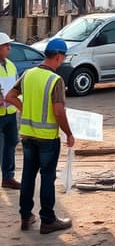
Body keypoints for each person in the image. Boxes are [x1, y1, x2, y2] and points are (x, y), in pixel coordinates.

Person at [5, 37, 74, 234]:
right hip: (47, 139)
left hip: (27, 135)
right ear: (59, 57)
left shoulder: (28, 74)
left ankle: (26, 216)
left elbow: (10, 96)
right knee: (47, 177)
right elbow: (59, 112)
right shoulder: (55, 80)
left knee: (28, 176)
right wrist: (69, 133)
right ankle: (48, 220)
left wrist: (23, 108)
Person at [0, 32, 20, 189]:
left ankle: (8, 177)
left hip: (10, 114)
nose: (9, 48)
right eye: (6, 46)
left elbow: (17, 87)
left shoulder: (11, 65)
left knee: (11, 144)